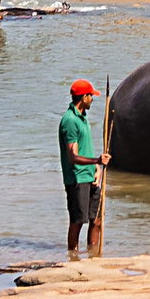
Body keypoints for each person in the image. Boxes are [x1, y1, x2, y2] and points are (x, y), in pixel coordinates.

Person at [59, 78, 109, 255]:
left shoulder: (83, 118)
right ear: (83, 97)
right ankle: (72, 256)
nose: (92, 99)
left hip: (90, 175)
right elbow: (72, 157)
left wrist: (97, 170)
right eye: (91, 96)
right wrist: (97, 161)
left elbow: (86, 147)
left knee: (96, 220)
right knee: (77, 221)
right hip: (77, 178)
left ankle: (93, 255)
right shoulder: (70, 121)